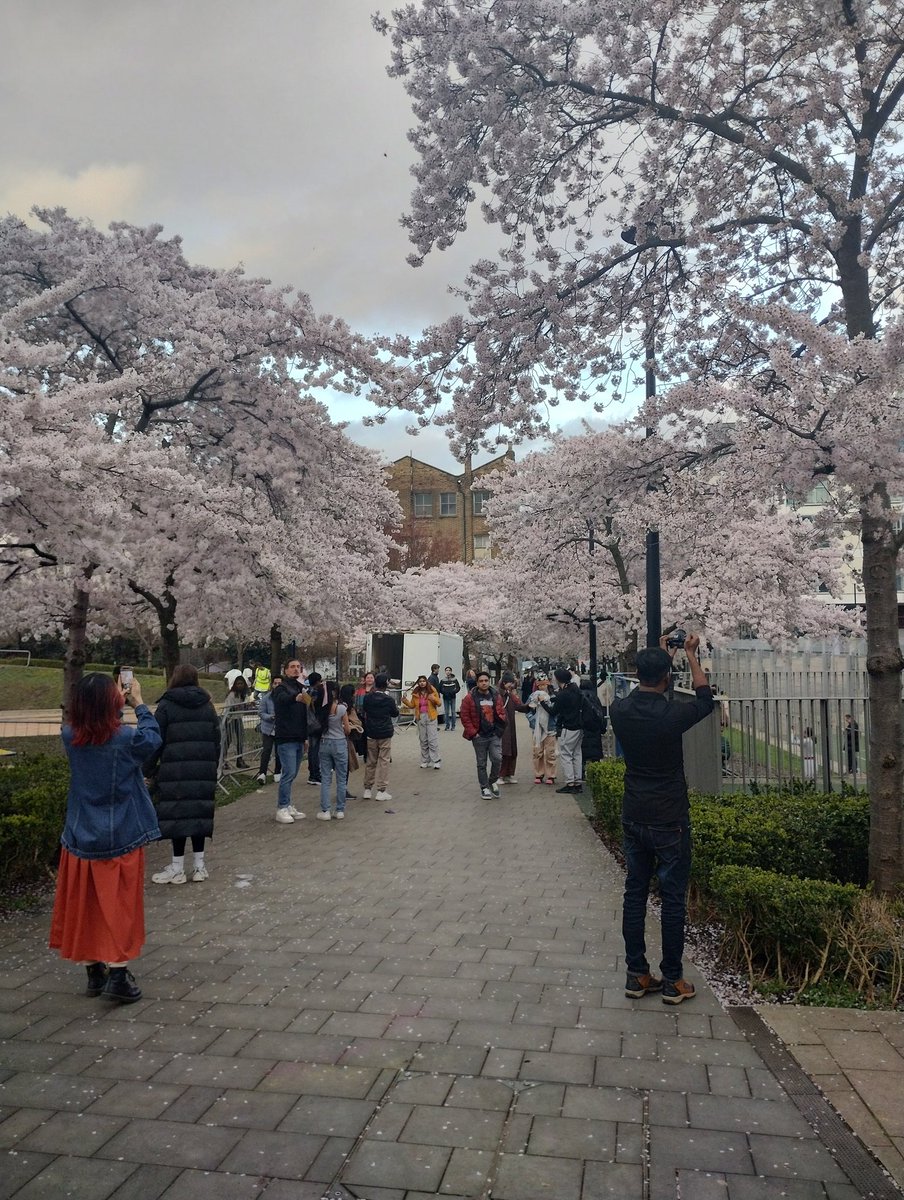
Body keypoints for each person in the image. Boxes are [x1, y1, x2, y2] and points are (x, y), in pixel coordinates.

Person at [610, 633, 714, 1006]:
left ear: (637, 673)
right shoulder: (674, 715)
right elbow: (705, 699)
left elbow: (652, 693)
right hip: (669, 815)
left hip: (634, 812)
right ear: (668, 678)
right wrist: (688, 653)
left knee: (635, 893)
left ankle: (636, 974)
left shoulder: (618, 710)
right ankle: (673, 980)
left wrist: (662, 654)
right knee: (671, 899)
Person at [49, 672, 161, 1003]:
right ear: (112, 702)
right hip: (122, 833)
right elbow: (152, 740)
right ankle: (119, 976)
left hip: (80, 834)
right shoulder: (126, 740)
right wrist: (138, 703)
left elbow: (91, 730)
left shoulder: (69, 736)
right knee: (120, 905)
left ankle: (93, 971)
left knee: (84, 905)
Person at [147, 665, 221, 885]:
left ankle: (177, 867)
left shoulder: (166, 705)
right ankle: (199, 866)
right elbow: (216, 739)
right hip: (202, 769)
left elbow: (155, 740)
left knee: (178, 817)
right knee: (198, 815)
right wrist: (213, 766)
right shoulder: (207, 706)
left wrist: (148, 769)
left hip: (174, 770)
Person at [460, 670, 507, 798]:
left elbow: (501, 712)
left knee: (497, 759)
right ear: (477, 683)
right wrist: (473, 733)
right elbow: (464, 716)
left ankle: (492, 781)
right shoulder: (470, 698)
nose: (484, 683)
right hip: (479, 736)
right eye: (481, 681)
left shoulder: (495, 695)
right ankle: (484, 787)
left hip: (494, 735)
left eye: (486, 680)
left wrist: (499, 730)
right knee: (481, 763)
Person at [272, 660, 309, 823]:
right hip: (285, 737)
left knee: (293, 773)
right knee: (288, 773)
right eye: (292, 667)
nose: (296, 669)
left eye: (298, 667)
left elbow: (304, 715)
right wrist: (296, 697)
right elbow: (282, 700)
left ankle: (287, 804)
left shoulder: (300, 687)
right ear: (285, 670)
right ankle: (282, 807)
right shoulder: (281, 688)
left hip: (299, 736)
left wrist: (305, 737)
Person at [541, 668, 584, 793]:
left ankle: (570, 784)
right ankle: (578, 783)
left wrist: (543, 703)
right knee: (577, 754)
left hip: (568, 727)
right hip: (579, 726)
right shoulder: (576, 689)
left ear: (558, 679)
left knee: (566, 755)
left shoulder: (564, 694)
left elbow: (553, 711)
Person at [316, 681, 351, 821]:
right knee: (341, 779)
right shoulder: (341, 708)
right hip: (340, 743)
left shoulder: (321, 708)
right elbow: (347, 729)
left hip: (324, 742)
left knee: (325, 779)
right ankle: (340, 810)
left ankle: (325, 810)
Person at [362, 672, 399, 801]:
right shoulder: (389, 699)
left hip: (371, 732)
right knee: (384, 761)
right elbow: (395, 713)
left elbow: (364, 710)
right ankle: (381, 790)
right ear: (386, 684)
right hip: (385, 732)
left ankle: (367, 788)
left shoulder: (367, 698)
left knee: (371, 761)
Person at [402, 675, 443, 769]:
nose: (422, 683)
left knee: (432, 740)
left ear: (426, 682)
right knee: (423, 740)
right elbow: (412, 705)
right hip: (420, 717)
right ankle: (425, 760)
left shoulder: (432, 690)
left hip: (431, 717)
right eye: (420, 681)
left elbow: (439, 703)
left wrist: (434, 699)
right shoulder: (416, 692)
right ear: (418, 682)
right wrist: (405, 701)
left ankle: (436, 761)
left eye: (424, 681)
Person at [499, 674, 530, 783]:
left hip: (510, 726)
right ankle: (500, 775)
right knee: (504, 750)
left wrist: (529, 706)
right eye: (510, 683)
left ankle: (509, 773)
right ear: (504, 683)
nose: (512, 685)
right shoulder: (498, 695)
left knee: (512, 750)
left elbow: (519, 706)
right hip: (501, 727)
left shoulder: (510, 695)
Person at [528, 675, 558, 784]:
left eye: (544, 684)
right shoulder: (533, 696)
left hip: (550, 727)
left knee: (550, 752)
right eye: (539, 685)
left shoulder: (553, 696)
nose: (542, 687)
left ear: (548, 684)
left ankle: (551, 775)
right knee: (537, 751)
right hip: (536, 727)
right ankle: (538, 773)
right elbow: (528, 709)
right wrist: (532, 719)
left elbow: (555, 711)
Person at [579, 676, 607, 779]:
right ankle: (596, 774)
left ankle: (581, 773)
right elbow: (600, 713)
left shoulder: (580, 697)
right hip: (595, 729)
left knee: (582, 753)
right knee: (595, 753)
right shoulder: (595, 697)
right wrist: (603, 728)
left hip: (583, 729)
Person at [256, 674, 282, 784]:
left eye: (279, 683)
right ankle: (262, 773)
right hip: (268, 728)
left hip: (280, 729)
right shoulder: (267, 698)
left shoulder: (284, 697)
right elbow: (261, 713)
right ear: (272, 685)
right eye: (275, 683)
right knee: (266, 750)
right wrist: (270, 717)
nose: (277, 685)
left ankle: (277, 771)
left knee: (279, 751)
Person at [340, 682, 363, 799]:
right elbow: (356, 723)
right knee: (345, 767)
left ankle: (341, 790)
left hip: (332, 740)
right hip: (344, 740)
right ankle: (342, 791)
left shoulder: (336, 705)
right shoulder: (347, 708)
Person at [222, 675, 251, 768]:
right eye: (238, 684)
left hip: (238, 719)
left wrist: (248, 705)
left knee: (240, 740)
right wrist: (236, 707)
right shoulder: (232, 694)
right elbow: (228, 708)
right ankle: (222, 761)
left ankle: (239, 760)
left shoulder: (243, 694)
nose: (240, 685)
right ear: (235, 684)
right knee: (228, 741)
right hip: (230, 720)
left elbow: (244, 706)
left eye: (241, 683)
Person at [305, 672, 326, 785]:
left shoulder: (306, 692)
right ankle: (315, 775)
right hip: (315, 723)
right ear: (318, 681)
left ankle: (312, 773)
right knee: (315, 750)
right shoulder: (317, 692)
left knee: (311, 750)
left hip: (308, 723)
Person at [438, 666, 461, 731]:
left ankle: (453, 726)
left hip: (453, 697)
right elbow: (440, 689)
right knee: (446, 712)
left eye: (449, 670)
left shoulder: (454, 680)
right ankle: (447, 725)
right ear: (445, 672)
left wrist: (453, 692)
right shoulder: (443, 680)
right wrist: (444, 692)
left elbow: (458, 688)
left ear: (451, 671)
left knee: (453, 712)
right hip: (445, 698)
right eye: (446, 670)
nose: (448, 671)